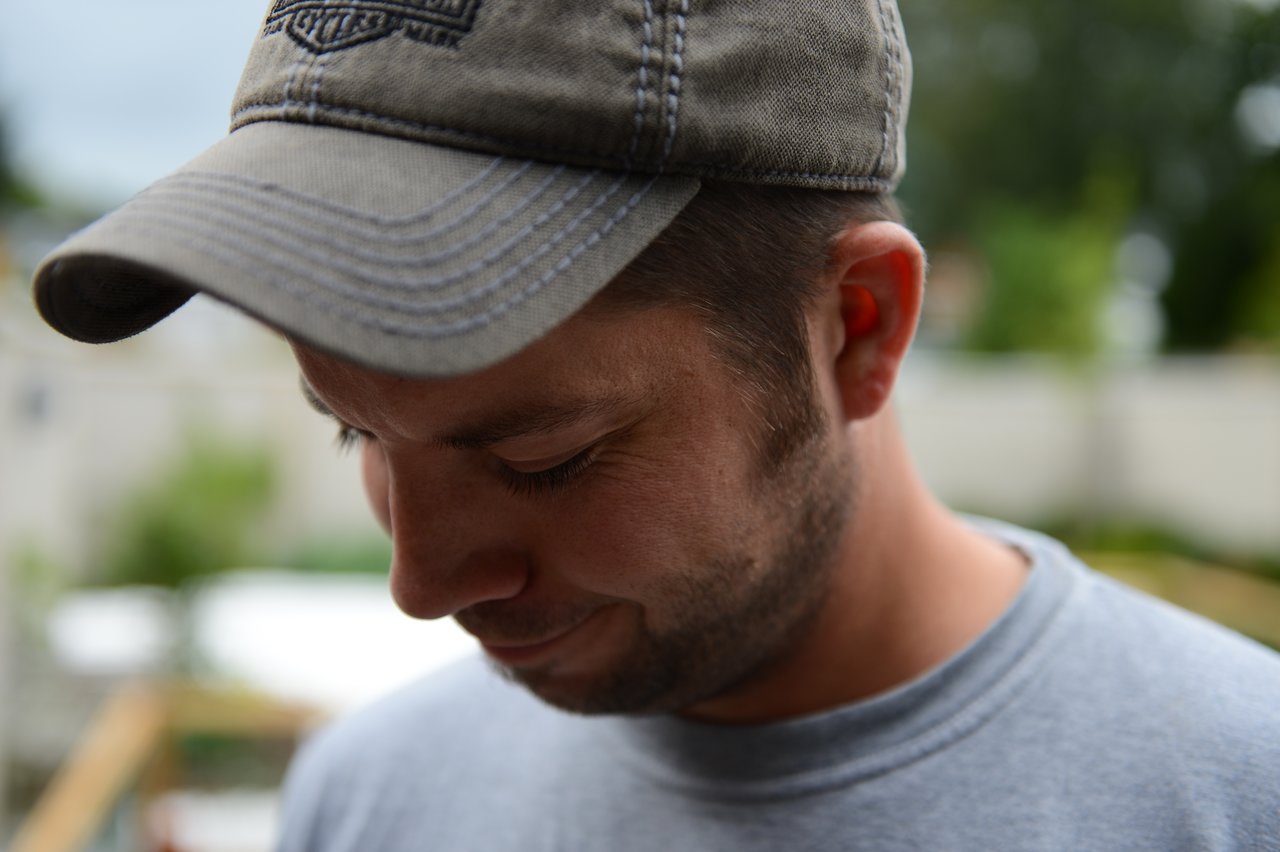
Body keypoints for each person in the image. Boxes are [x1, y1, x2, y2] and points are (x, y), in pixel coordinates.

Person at [32, 0, 1280, 848]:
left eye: (541, 459)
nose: (417, 584)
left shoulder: (1230, 796)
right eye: (351, 431)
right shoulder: (374, 799)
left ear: (856, 326)